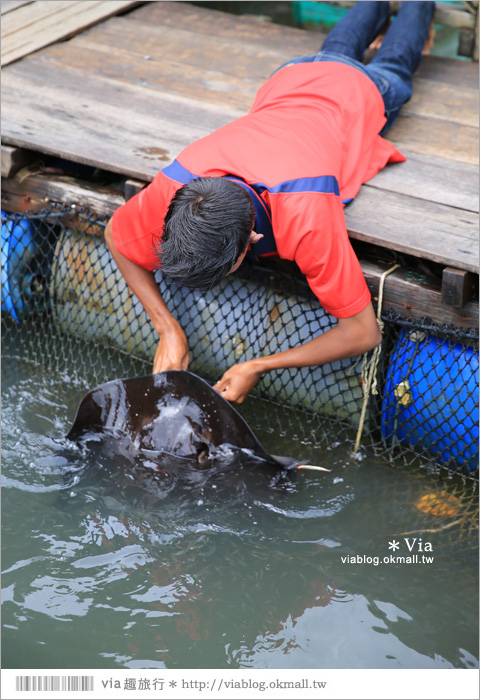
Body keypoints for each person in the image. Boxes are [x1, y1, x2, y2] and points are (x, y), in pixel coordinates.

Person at [105, 1, 435, 403]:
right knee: (335, 52)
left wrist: (258, 365)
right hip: (292, 77)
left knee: (396, 64)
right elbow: (116, 236)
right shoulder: (174, 190)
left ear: (253, 239)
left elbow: (364, 332)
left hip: (353, 92)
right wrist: (166, 327)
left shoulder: (307, 215)